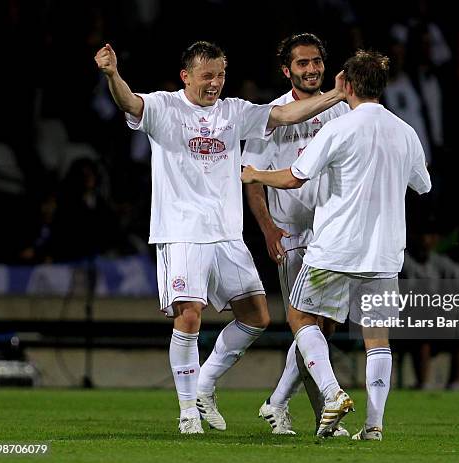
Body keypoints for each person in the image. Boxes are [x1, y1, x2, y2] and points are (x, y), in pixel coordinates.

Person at [94, 41, 346, 435]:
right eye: (208, 75)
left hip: (227, 234)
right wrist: (113, 75)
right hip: (181, 232)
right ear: (186, 76)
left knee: (257, 316)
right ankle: (187, 413)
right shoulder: (166, 107)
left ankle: (204, 385)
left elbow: (283, 114)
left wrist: (334, 95)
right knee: (189, 315)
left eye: (221, 75)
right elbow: (130, 104)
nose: (215, 83)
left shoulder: (234, 111)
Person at [242, 50, 432, 440]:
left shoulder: (339, 127)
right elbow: (423, 185)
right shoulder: (405, 132)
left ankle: (331, 393)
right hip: (384, 253)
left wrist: (255, 174)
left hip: (335, 248)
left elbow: (296, 177)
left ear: (347, 84)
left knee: (300, 319)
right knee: (377, 342)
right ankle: (373, 426)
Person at [242, 33, 350, 436]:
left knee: (322, 328)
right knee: (307, 325)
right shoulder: (270, 115)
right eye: (302, 64)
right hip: (292, 235)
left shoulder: (340, 111)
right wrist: (268, 228)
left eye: (316, 62)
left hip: (332, 234)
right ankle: (321, 410)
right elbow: (251, 178)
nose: (311, 69)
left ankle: (279, 403)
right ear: (287, 70)